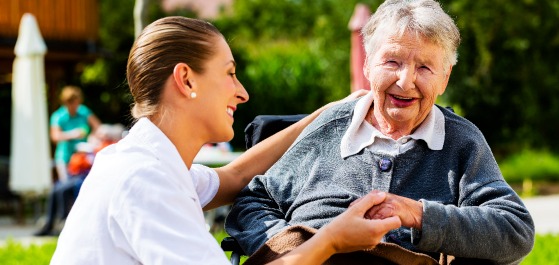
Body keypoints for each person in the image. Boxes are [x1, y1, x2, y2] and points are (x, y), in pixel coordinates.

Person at [50, 16, 400, 264]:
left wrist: (323, 115)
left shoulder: (143, 160)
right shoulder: (145, 180)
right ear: (186, 80)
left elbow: (233, 177)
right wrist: (334, 238)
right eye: (230, 74)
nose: (243, 93)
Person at [225, 1, 535, 264]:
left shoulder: (460, 143)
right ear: (369, 65)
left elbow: (515, 229)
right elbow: (253, 201)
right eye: (392, 61)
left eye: (425, 68)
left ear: (445, 78)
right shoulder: (331, 128)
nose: (405, 81)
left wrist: (419, 214)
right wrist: (292, 247)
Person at [34, 124, 125, 236]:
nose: (100, 135)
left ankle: (63, 224)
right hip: (78, 175)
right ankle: (49, 224)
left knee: (63, 191)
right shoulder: (93, 145)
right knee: (55, 189)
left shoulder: (110, 146)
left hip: (88, 177)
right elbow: (75, 165)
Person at [50, 85, 101, 182]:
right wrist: (72, 134)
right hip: (65, 158)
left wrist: (92, 136)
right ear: (66, 103)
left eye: (77, 103)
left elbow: (97, 126)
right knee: (67, 188)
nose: (76, 106)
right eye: (73, 103)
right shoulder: (58, 116)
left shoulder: (83, 111)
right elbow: (55, 136)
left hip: (82, 157)